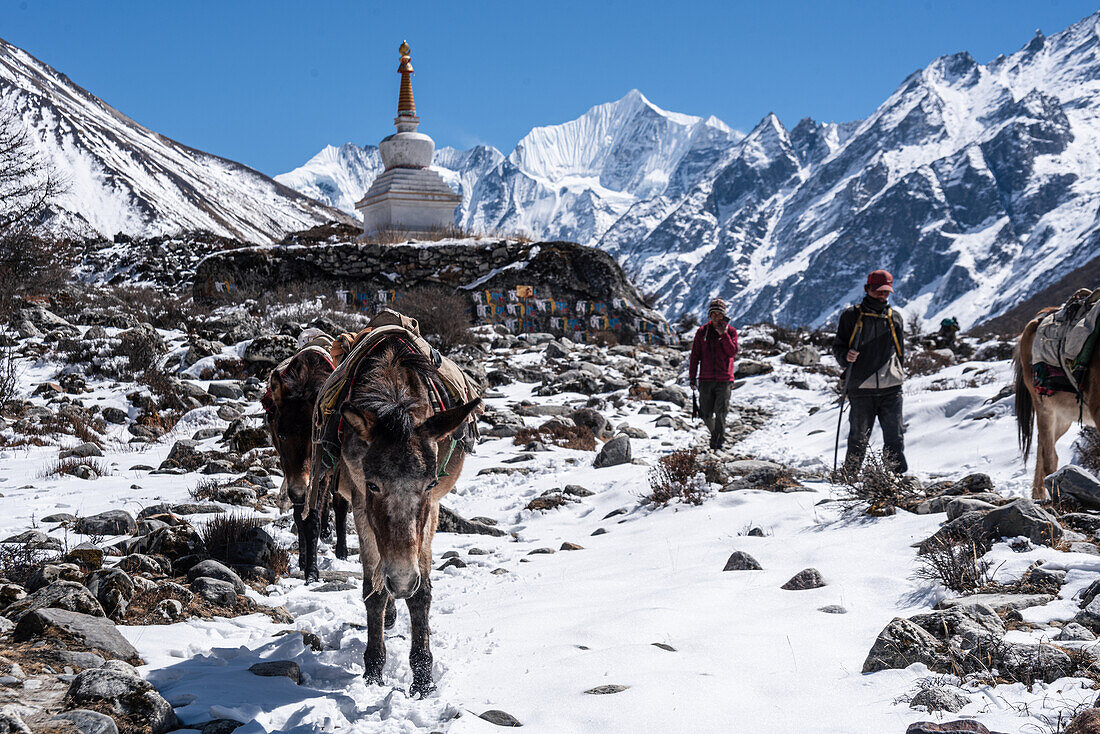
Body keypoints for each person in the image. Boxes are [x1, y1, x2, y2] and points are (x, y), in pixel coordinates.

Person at [831, 270, 908, 475]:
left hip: (891, 387)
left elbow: (900, 352)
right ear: (867, 289)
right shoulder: (851, 316)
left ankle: (896, 475)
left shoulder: (895, 318)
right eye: (878, 291)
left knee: (894, 436)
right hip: (861, 388)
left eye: (886, 292)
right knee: (858, 436)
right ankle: (851, 475)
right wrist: (845, 356)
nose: (882, 295)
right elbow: (837, 346)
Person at [688, 298, 738, 450]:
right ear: (709, 315)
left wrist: (723, 335)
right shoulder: (702, 332)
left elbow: (732, 352)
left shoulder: (731, 332)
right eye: (713, 314)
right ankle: (716, 434)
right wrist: (692, 377)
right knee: (705, 413)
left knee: (721, 412)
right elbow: (695, 356)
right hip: (705, 379)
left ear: (724, 315)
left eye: (719, 314)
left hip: (724, 379)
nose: (716, 317)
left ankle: (718, 442)